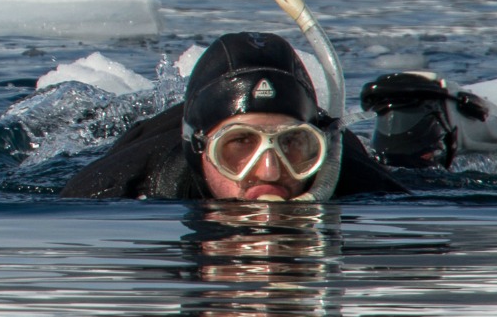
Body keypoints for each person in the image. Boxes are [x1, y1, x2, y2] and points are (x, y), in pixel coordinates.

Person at [58, 31, 408, 201]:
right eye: (239, 143)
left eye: (292, 144)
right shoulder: (117, 187)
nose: (270, 171)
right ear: (199, 149)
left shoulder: (361, 180)